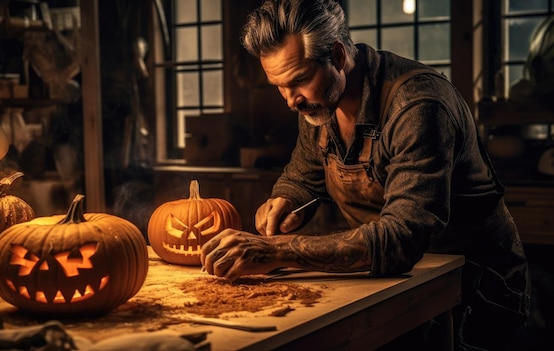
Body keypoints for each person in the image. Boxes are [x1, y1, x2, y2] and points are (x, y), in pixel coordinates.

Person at [200, 0, 530, 350]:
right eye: (278, 86)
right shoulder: (319, 101)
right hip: (393, 283)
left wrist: (278, 251)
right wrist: (286, 199)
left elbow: (402, 238)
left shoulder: (418, 105)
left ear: (339, 57)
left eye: (298, 81)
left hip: (471, 288)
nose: (290, 101)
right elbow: (303, 176)